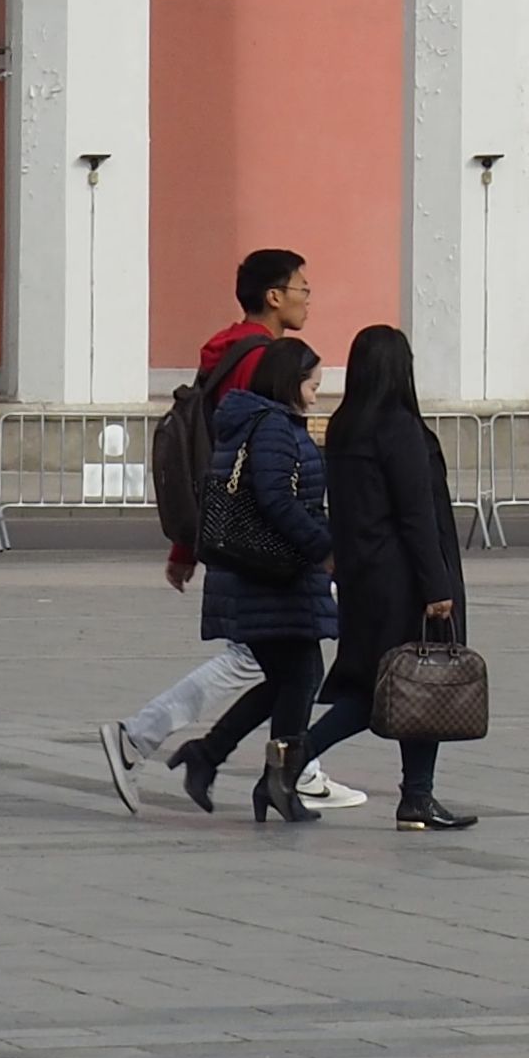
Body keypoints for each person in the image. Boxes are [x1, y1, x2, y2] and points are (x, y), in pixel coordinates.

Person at [102, 248, 362, 814]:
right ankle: (141, 738)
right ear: (274, 296)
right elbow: (253, 481)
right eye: (303, 288)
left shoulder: (225, 354)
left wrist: (188, 544)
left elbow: (214, 467)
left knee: (289, 667)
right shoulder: (260, 368)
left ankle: (260, 764)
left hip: (240, 548)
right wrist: (323, 547)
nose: (308, 298)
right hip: (263, 559)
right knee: (262, 662)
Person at [294, 324, 479, 830]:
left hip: (364, 577)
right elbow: (417, 515)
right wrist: (437, 588)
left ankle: (299, 759)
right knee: (422, 681)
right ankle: (412, 794)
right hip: (405, 578)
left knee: (376, 684)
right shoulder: (400, 428)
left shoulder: (347, 427)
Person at [179, 335, 338, 825]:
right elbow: (275, 500)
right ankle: (267, 777)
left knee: (292, 677)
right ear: (290, 382)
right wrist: (323, 546)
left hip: (266, 575)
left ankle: (215, 757)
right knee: (301, 674)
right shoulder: (271, 427)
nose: (316, 396)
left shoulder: (264, 422)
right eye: (313, 385)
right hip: (270, 575)